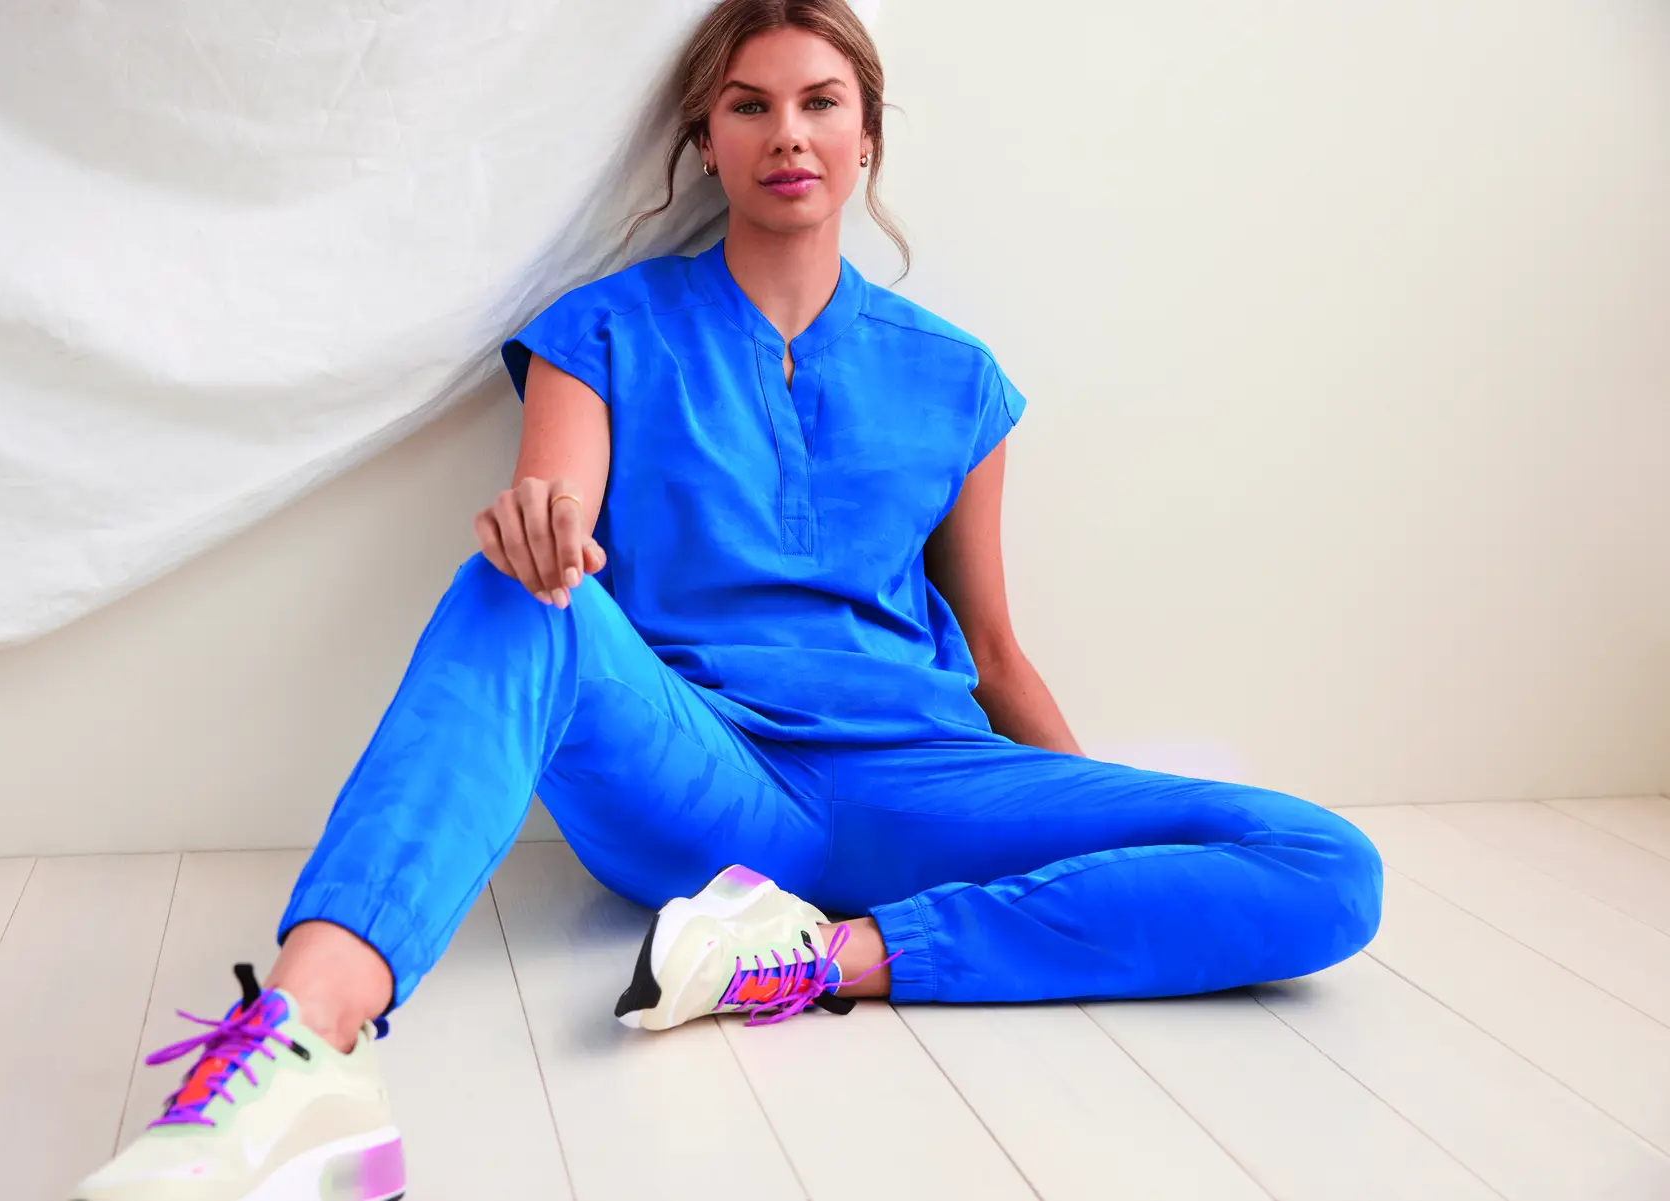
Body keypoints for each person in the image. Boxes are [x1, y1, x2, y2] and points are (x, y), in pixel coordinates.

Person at [69, 1, 1383, 1197]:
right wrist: (543, 529)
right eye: (749, 103)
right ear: (705, 137)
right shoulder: (604, 330)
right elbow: (559, 522)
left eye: (820, 100)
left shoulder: (959, 381)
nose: (787, 132)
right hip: (702, 781)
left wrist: (1088, 823)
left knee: (1329, 867)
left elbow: (992, 645)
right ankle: (299, 1056)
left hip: (922, 781)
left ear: (867, 133)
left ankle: (817, 960)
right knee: (520, 594)